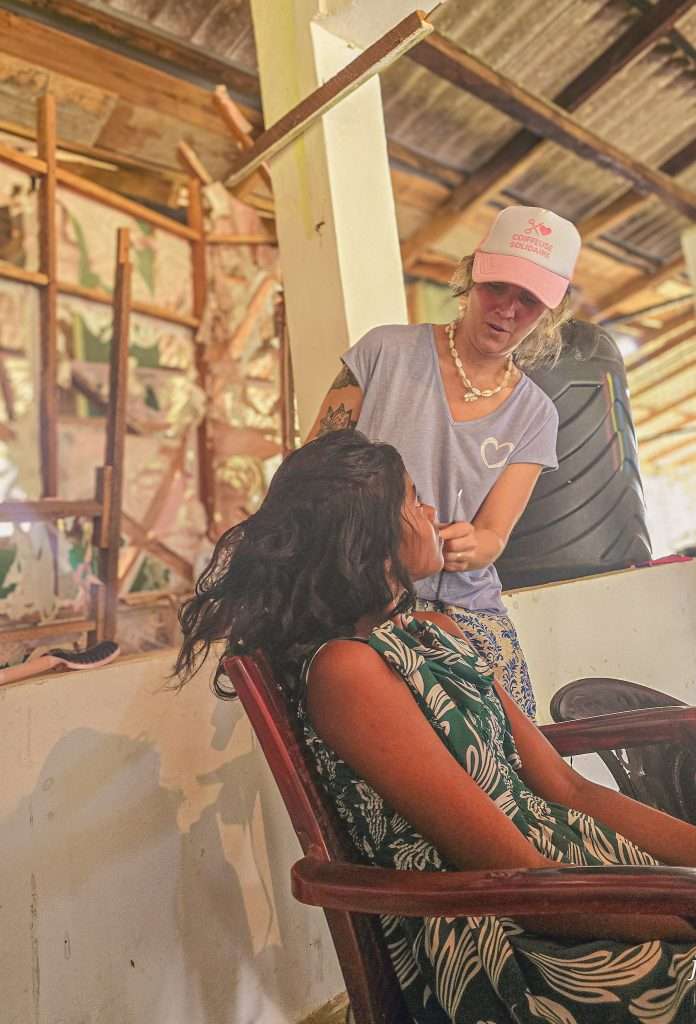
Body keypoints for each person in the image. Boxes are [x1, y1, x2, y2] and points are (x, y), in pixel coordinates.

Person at [176, 431, 696, 1024]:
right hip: (509, 935)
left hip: (588, 879)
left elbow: (569, 789)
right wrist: (680, 909)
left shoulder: (434, 630)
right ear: (368, 542)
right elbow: (515, 878)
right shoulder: (347, 672)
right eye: (412, 501)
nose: (429, 513)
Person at [306, 205, 582, 720]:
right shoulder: (383, 351)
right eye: (496, 287)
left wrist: (472, 547)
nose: (506, 309)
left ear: (551, 311)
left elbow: (493, 534)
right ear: (472, 274)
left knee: (512, 746)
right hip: (356, 593)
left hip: (464, 606)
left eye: (528, 300)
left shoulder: (535, 415)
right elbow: (311, 473)